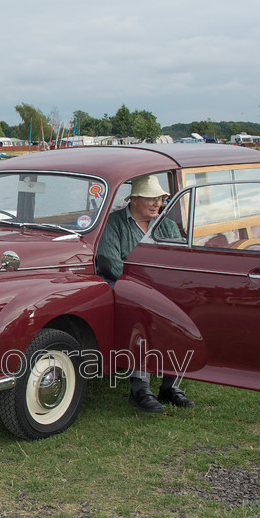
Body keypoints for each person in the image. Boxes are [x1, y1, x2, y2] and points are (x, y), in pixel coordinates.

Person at [96, 174, 194, 413]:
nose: (156, 204)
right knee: (143, 316)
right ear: (135, 199)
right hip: (121, 288)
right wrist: (144, 290)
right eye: (151, 199)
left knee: (183, 315)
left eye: (159, 199)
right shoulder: (113, 223)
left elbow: (179, 263)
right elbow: (110, 263)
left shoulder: (167, 226)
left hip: (159, 291)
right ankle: (140, 389)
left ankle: (170, 386)